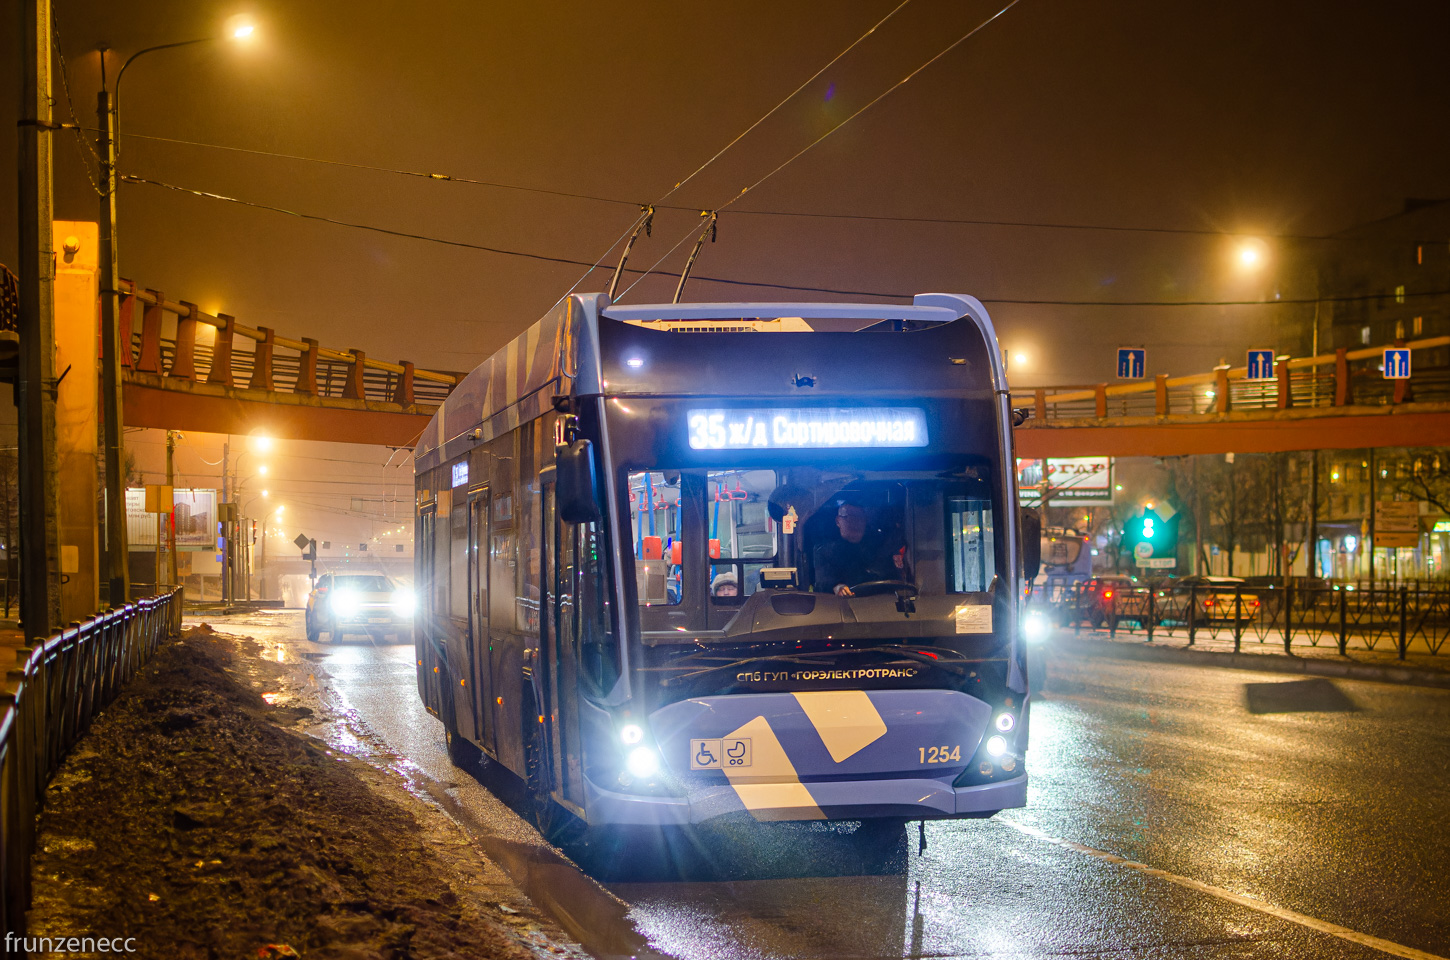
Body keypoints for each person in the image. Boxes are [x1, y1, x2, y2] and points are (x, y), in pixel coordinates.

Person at [812, 502, 903, 596]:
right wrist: (838, 587)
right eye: (850, 518)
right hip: (844, 605)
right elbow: (823, 583)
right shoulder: (824, 551)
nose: (855, 523)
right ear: (838, 521)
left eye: (859, 518)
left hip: (881, 603)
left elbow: (894, 579)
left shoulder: (879, 547)